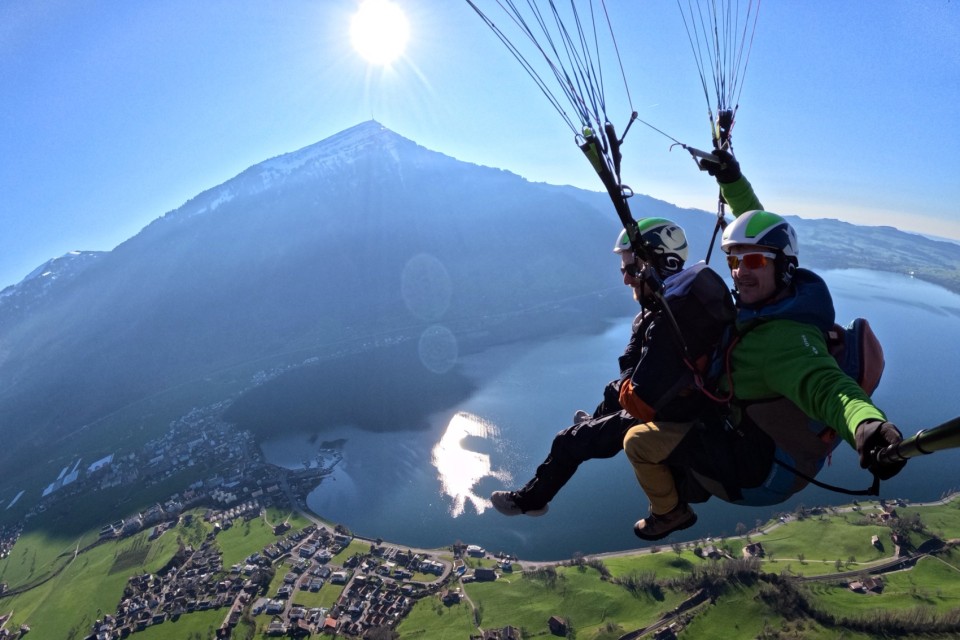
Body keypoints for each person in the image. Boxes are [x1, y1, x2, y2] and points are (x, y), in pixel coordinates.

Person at [622, 151, 907, 541]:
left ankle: (670, 512)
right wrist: (732, 179)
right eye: (733, 262)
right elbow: (760, 226)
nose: (740, 273)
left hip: (760, 475)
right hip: (756, 441)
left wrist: (867, 426)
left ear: (782, 267)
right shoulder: (775, 300)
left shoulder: (786, 339)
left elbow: (829, 389)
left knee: (638, 442)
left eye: (752, 262)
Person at [489, 217, 735, 517]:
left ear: (664, 264)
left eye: (632, 270)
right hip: (686, 399)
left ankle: (530, 501)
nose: (626, 280)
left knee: (567, 442)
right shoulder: (686, 301)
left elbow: (638, 400)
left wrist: (635, 343)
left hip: (674, 413)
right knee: (610, 393)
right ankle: (591, 426)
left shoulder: (671, 320)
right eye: (624, 270)